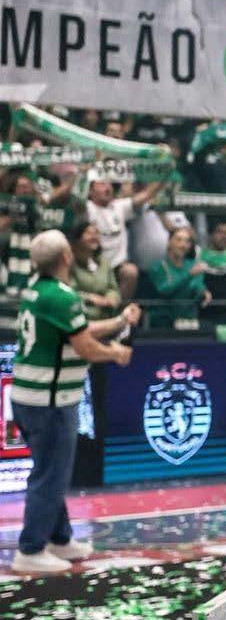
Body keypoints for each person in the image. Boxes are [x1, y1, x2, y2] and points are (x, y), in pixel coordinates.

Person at [11, 230, 137, 574]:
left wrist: (119, 321)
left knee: (50, 469)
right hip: (49, 401)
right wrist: (116, 353)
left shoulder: (37, 290)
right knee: (50, 475)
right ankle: (31, 548)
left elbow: (76, 330)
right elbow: (86, 347)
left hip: (29, 397)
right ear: (66, 257)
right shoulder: (62, 297)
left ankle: (59, 538)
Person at [86, 178, 162, 302]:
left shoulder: (119, 206)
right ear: (90, 191)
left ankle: (119, 309)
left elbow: (147, 194)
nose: (108, 187)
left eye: (109, 184)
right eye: (102, 184)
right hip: (94, 264)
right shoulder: (87, 208)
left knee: (130, 271)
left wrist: (164, 173)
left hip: (117, 266)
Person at [146, 228, 211, 331]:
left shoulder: (193, 265)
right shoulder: (158, 267)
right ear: (169, 243)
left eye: (187, 241)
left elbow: (198, 286)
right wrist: (188, 275)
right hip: (163, 323)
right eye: (178, 240)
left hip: (190, 321)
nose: (183, 245)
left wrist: (204, 292)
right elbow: (165, 290)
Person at [68, 222, 120, 322]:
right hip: (81, 317)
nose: (94, 237)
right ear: (77, 239)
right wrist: (90, 298)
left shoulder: (104, 263)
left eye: (96, 233)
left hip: (105, 316)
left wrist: (110, 299)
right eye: (88, 233)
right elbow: (69, 292)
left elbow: (113, 288)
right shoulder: (69, 264)